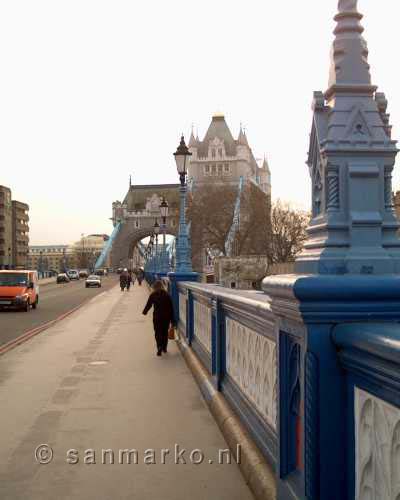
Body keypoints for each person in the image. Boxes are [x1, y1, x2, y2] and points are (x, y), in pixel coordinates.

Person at [142, 280, 176, 356]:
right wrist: (172, 320)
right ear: (162, 286)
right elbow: (171, 308)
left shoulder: (153, 295)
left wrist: (145, 312)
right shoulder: (167, 295)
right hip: (166, 318)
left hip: (157, 317)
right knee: (164, 332)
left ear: (154, 287)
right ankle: (164, 347)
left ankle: (159, 346)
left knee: (157, 332)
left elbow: (149, 305)